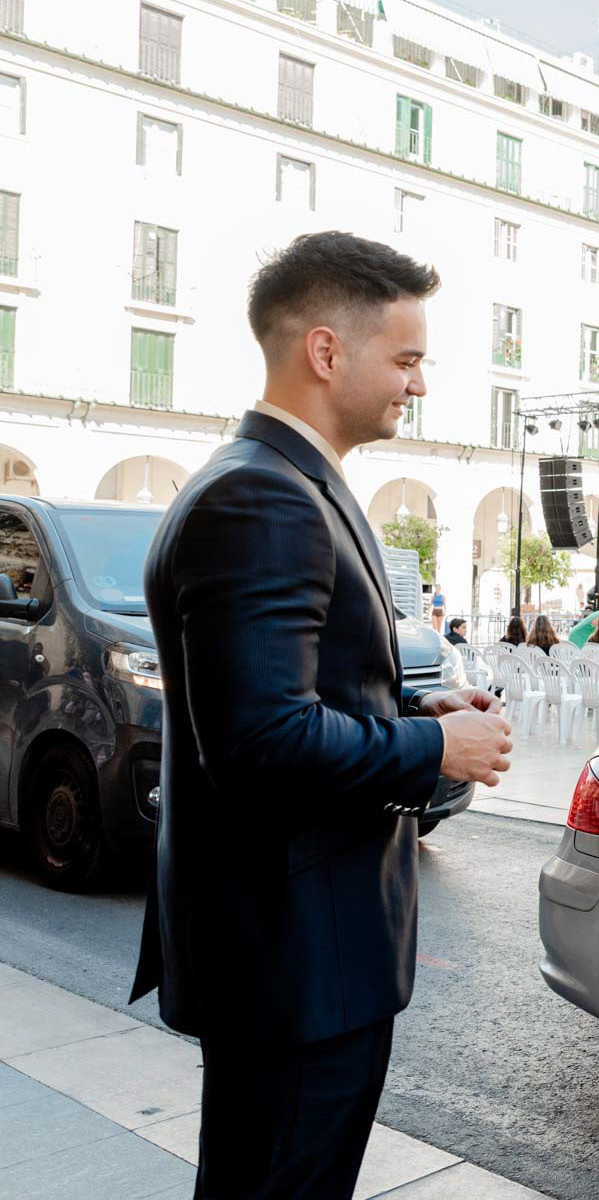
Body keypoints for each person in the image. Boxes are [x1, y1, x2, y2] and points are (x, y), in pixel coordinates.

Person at [128, 232, 513, 1199]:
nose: (418, 384)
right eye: (408, 358)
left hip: (289, 952)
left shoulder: (270, 479)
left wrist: (412, 701)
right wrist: (434, 745)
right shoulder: (264, 496)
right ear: (327, 351)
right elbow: (259, 741)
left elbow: (279, 692)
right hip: (294, 960)